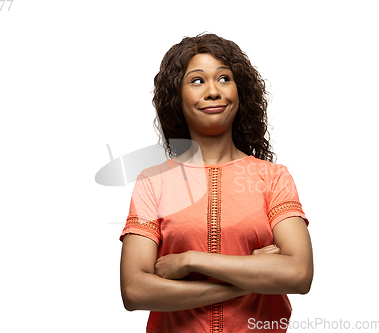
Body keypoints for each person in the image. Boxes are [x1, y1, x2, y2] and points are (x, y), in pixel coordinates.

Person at [119, 33, 313, 333]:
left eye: (224, 78)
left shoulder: (273, 177)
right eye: (197, 81)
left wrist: (189, 261)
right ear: (177, 97)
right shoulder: (153, 182)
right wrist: (247, 279)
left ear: (241, 91)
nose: (213, 91)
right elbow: (135, 290)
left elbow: (298, 274)